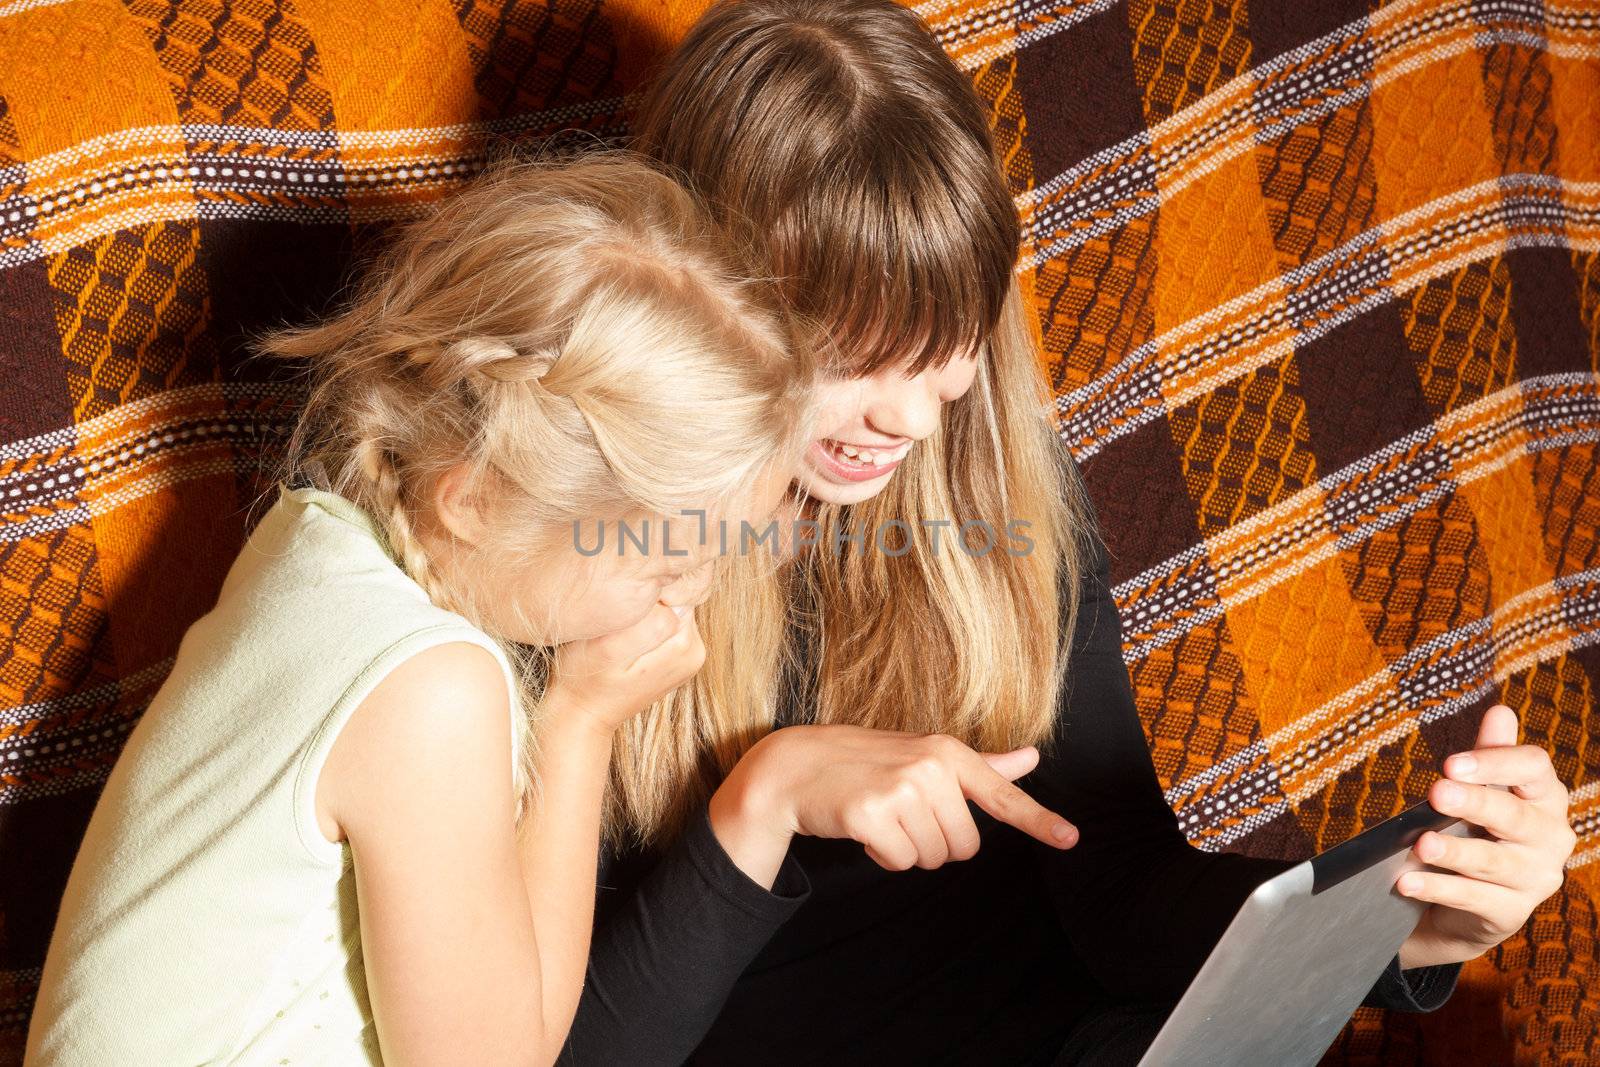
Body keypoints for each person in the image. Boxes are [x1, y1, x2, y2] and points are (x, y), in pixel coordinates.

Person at [559, 3, 1578, 1065]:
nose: (907, 417)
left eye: (943, 341)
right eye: (850, 351)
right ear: (693, 295)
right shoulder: (564, 554)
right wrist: (755, 805)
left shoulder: (995, 482)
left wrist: (1404, 917)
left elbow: (1112, 881)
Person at [24, 151, 814, 1066]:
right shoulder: (433, 689)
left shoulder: (309, 541)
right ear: (472, 498)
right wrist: (584, 719)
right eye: (664, 561)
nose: (698, 592)